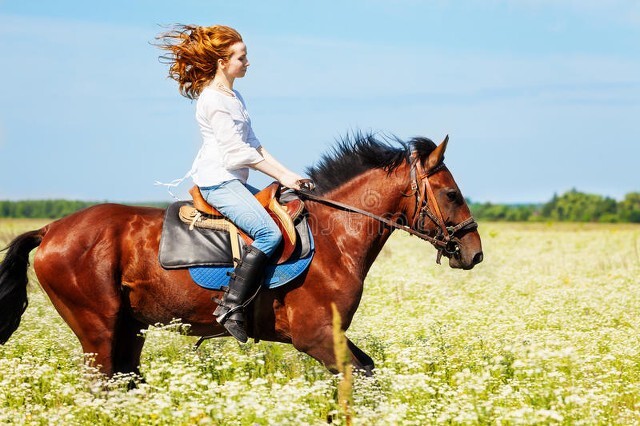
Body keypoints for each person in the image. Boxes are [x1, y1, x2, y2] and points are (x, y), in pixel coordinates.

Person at [157, 24, 306, 343]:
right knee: (268, 233)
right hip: (218, 182)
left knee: (286, 209)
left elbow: (254, 144)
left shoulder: (234, 95)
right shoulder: (212, 100)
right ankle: (230, 305)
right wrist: (280, 175)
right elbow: (237, 152)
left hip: (234, 180)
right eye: (242, 57)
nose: (247, 62)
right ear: (223, 61)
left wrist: (288, 174)